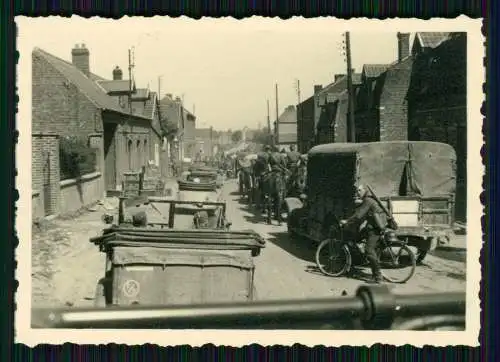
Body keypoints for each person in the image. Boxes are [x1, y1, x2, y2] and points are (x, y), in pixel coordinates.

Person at [340, 184, 388, 283]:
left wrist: (347, 221)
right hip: (370, 228)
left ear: (365, 191)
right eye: (357, 190)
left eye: (359, 190)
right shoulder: (367, 200)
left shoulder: (368, 201)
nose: (357, 192)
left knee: (369, 250)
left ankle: (378, 276)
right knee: (354, 238)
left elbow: (358, 216)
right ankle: (352, 266)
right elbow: (361, 216)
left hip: (375, 230)